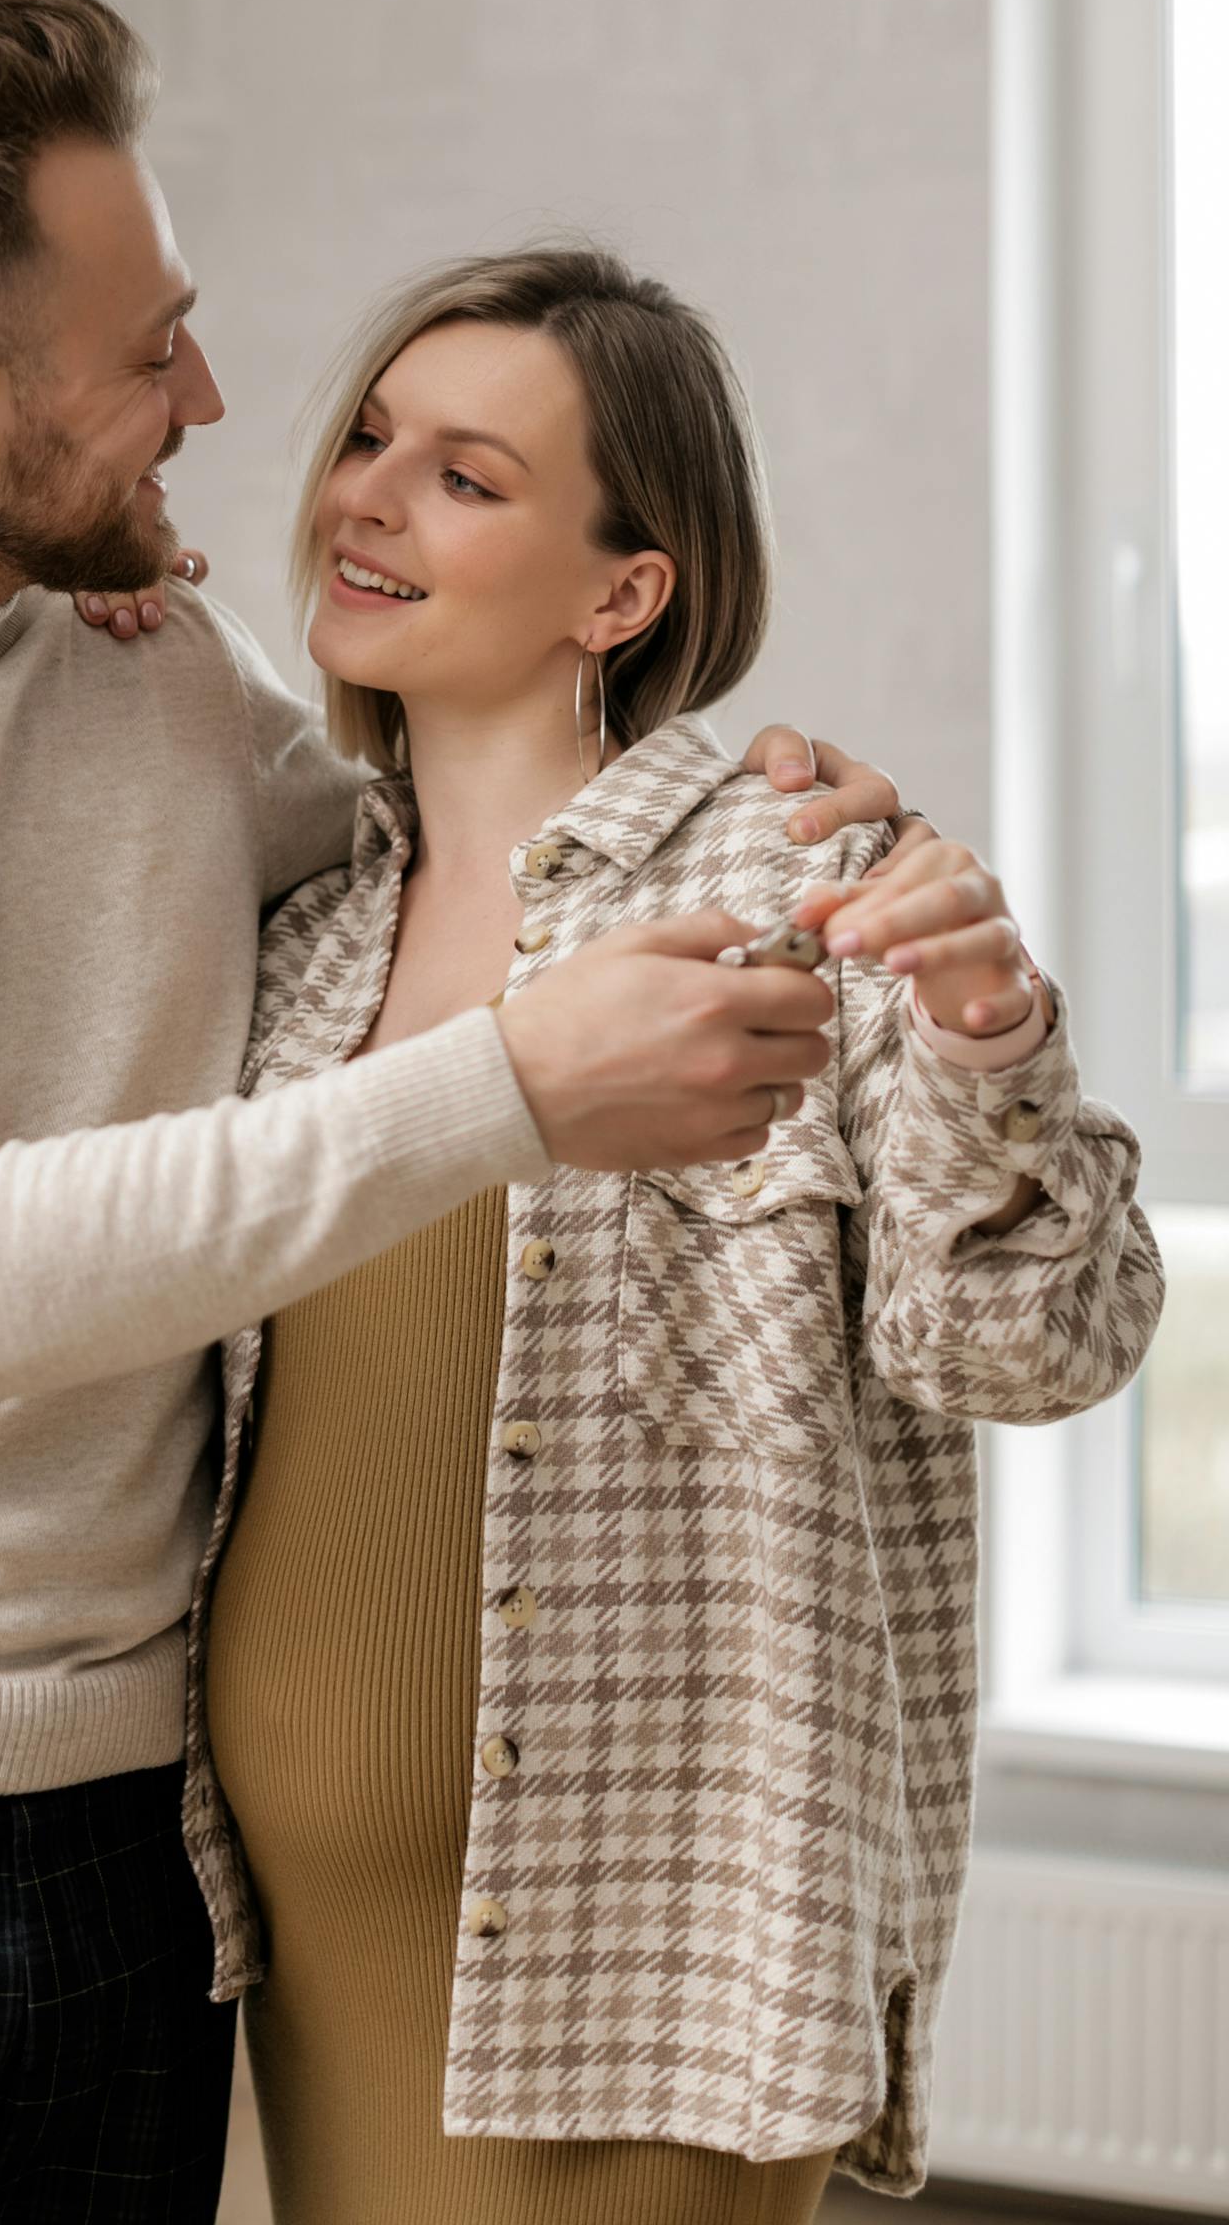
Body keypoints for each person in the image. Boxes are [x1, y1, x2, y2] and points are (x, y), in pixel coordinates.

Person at [0, 0, 914, 2225]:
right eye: (152, 352)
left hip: (134, 1846)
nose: (222, 408)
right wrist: (525, 1084)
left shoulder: (159, 684)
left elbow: (458, 850)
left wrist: (795, 821)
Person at [197, 246, 1160, 2224]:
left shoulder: (805, 886)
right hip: (299, 1924)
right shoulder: (300, 941)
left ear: (623, 592)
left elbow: (1036, 1346)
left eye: (465, 475)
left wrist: (993, 1036)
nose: (363, 495)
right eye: (370, 438)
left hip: (641, 1938)